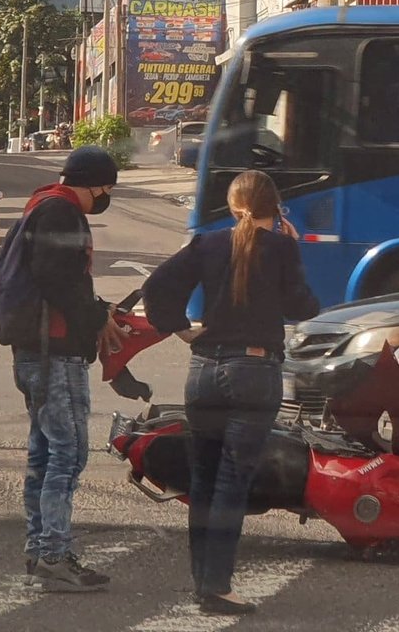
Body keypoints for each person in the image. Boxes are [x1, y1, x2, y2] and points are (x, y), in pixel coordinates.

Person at [144, 170, 317, 616]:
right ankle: (218, 587)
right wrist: (292, 248)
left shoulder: (207, 242)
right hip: (254, 371)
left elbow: (156, 286)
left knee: (202, 480)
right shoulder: (281, 247)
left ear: (233, 203)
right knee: (231, 483)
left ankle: (204, 581)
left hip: (203, 370)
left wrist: (181, 330)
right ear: (274, 208)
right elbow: (303, 307)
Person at [11, 145, 126, 593]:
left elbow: (56, 279)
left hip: (36, 349)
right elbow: (57, 280)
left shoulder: (42, 204)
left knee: (43, 453)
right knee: (69, 452)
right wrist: (96, 317)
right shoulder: (61, 213)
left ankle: (40, 550)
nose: (106, 196)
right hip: (54, 353)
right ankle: (54, 554)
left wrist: (99, 309)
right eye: (107, 188)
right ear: (95, 183)